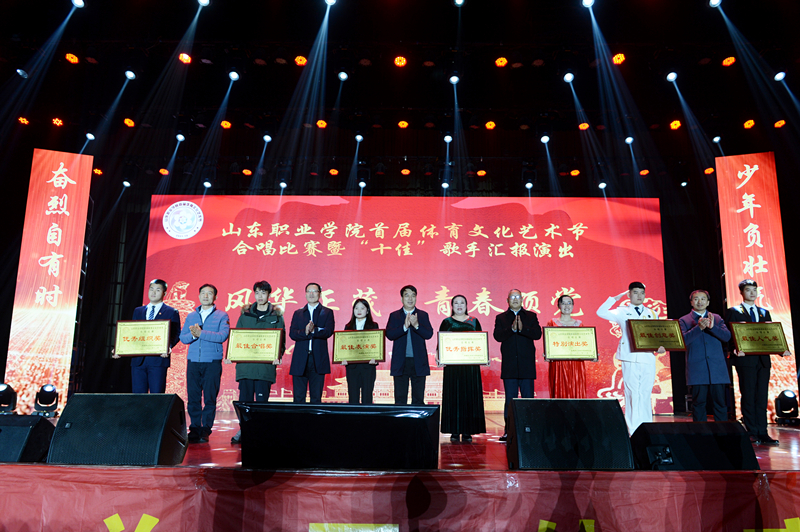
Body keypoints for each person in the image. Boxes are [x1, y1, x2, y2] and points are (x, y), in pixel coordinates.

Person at [725, 279, 790, 445]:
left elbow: (770, 334)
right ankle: (751, 431)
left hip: (763, 360)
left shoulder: (763, 312)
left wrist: (781, 349)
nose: (752, 293)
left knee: (761, 396)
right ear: (741, 292)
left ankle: (763, 432)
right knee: (748, 395)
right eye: (748, 290)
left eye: (754, 290)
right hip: (745, 360)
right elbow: (729, 335)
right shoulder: (734, 311)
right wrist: (733, 349)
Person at [596, 281, 665, 435]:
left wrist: (660, 347)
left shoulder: (652, 313)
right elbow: (601, 312)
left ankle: (647, 427)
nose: (639, 296)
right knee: (632, 393)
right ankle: (633, 429)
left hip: (648, 357)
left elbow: (657, 335)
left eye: (642, 293)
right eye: (635, 292)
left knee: (645, 392)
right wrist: (616, 298)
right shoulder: (622, 311)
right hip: (629, 356)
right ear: (629, 294)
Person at [229, 281, 285, 444]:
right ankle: (244, 430)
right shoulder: (245, 315)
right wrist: (232, 354)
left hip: (264, 369)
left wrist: (278, 355)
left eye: (263, 293)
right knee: (244, 403)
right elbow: (237, 338)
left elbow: (281, 341)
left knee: (261, 404)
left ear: (269, 295)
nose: (260, 296)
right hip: (246, 368)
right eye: (258, 293)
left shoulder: (276, 316)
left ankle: (261, 432)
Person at [180, 283, 230, 443]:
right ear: (199, 295)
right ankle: (194, 428)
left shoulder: (222, 315)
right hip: (193, 361)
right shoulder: (191, 316)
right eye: (203, 293)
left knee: (209, 397)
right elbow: (183, 338)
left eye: (209, 293)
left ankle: (206, 429)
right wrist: (194, 335)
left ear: (215, 297)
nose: (206, 296)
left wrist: (201, 333)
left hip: (212, 362)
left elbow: (222, 336)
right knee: (193, 397)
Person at [112, 279, 181, 393]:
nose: (153, 292)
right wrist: (120, 348)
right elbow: (132, 332)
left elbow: (176, 333)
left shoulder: (171, 311)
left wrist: (168, 346)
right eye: (151, 289)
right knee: (138, 397)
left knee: (156, 396)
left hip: (158, 360)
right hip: (138, 361)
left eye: (158, 290)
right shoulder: (138, 311)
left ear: (164, 293)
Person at [493, 289, 542, 442]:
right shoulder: (501, 317)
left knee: (528, 400)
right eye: (512, 297)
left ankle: (529, 429)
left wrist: (522, 329)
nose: (515, 299)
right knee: (510, 400)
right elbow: (497, 336)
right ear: (507, 300)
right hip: (509, 366)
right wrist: (512, 329)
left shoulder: (531, 316)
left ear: (522, 299)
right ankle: (509, 431)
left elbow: (537, 334)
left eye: (517, 297)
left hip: (527, 366)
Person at [437, 294, 486, 443]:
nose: (459, 305)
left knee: (469, 396)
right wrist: (439, 357)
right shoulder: (446, 322)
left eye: (462, 303)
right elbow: (440, 343)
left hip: (470, 367)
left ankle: (467, 431)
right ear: (452, 306)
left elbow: (481, 342)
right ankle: (454, 430)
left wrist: (484, 357)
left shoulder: (474, 321)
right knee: (453, 396)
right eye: (456, 303)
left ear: (466, 305)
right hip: (452, 367)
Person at [679, 289, 730, 423]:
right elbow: (682, 341)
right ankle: (701, 432)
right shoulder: (684, 320)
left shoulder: (717, 318)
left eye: (703, 299)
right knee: (698, 403)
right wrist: (699, 328)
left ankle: (723, 432)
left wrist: (713, 327)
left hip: (717, 369)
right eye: (696, 299)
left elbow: (727, 337)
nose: (700, 302)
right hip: (697, 369)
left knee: (720, 403)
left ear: (708, 302)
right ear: (691, 302)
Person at [386, 285, 433, 405]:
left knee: (418, 399)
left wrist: (417, 325)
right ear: (401, 299)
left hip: (418, 362)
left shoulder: (422, 315)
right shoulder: (394, 315)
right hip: (400, 362)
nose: (410, 298)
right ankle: (401, 418)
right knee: (400, 398)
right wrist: (404, 327)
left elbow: (429, 334)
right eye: (407, 295)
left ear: (416, 298)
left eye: (413, 295)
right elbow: (389, 334)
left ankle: (417, 418)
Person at [289, 282, 335, 403]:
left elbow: (329, 331)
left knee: (316, 398)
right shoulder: (298, 313)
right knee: (298, 398)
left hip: (318, 359)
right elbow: (292, 334)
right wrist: (305, 332)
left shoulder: (327, 312)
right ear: (305, 294)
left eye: (314, 291)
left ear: (320, 294)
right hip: (300, 359)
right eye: (308, 291)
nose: (311, 294)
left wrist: (314, 330)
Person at [546, 295, 586, 399]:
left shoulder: (579, 324)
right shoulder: (552, 323)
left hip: (576, 362)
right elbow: (549, 343)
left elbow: (585, 343)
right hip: (558, 362)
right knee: (559, 389)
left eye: (569, 303)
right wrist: (547, 353)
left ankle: (577, 410)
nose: (566, 306)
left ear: (573, 306)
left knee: (576, 388)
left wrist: (592, 353)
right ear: (558, 306)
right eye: (563, 303)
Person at [341, 299, 380, 404]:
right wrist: (342, 358)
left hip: (368, 366)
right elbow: (344, 346)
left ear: (367, 311)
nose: (359, 311)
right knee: (353, 397)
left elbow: (376, 345)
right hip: (352, 367)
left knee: (367, 397)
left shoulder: (374, 326)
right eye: (356, 308)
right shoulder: (348, 327)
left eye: (362, 308)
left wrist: (376, 358)